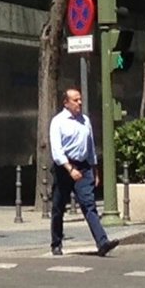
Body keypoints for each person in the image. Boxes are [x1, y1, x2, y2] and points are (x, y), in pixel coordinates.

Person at [49, 87, 119, 257]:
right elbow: (57, 151)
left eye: (80, 99)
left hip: (84, 167)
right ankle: (56, 243)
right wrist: (69, 169)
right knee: (58, 207)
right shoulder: (58, 122)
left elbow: (90, 147)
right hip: (64, 167)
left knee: (89, 205)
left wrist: (94, 170)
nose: (79, 103)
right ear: (66, 103)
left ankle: (102, 242)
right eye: (75, 100)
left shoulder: (85, 121)